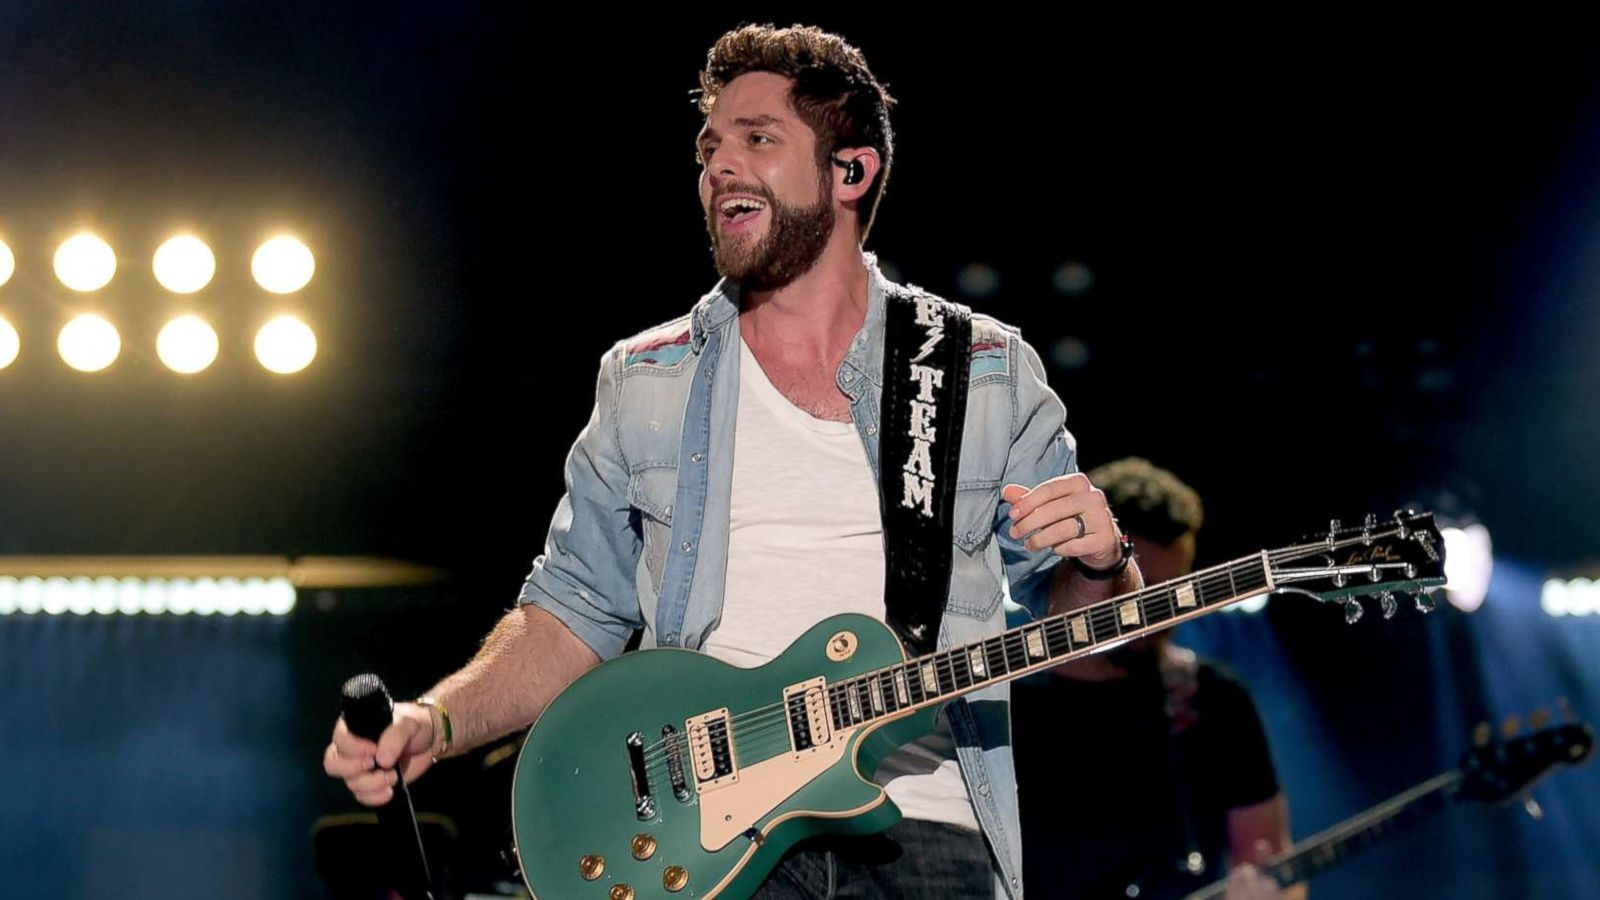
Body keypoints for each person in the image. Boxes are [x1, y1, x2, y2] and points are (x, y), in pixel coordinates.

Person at [325, 23, 1138, 899]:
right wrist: (435, 720)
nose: (718, 167)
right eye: (710, 147)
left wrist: (1104, 564)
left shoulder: (980, 368)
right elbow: (569, 616)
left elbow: (1088, 640)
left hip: (928, 829)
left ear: (850, 172)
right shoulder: (646, 379)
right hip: (710, 844)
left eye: (758, 139)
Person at [1012, 457, 1300, 899]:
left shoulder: (1215, 700)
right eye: (1138, 591)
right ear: (1087, 565)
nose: (1155, 619)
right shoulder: (1001, 692)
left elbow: (1272, 863)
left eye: (1174, 593)